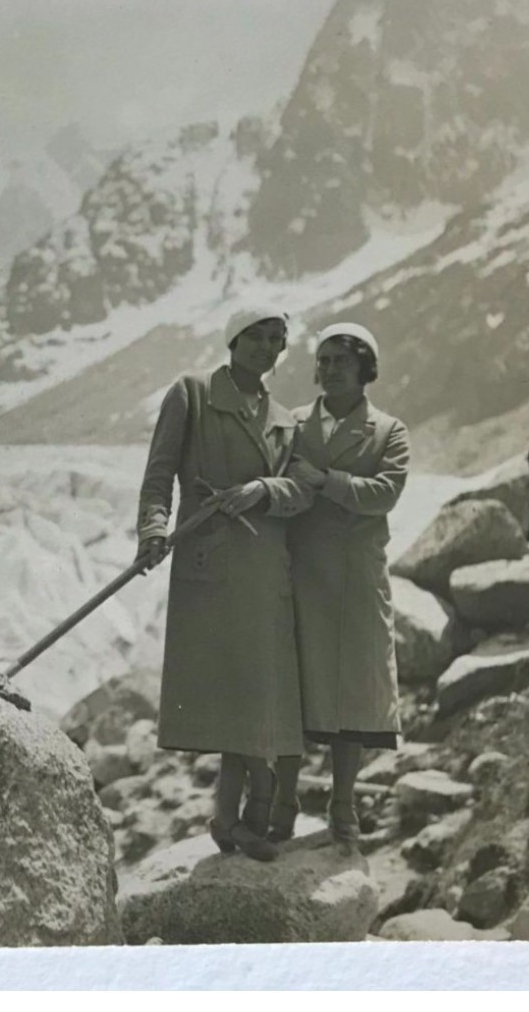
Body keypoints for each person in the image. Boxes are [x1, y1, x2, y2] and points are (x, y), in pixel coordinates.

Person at [135, 306, 312, 862]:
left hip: (265, 569)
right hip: (211, 564)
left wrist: (264, 489)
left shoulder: (284, 419)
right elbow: (159, 473)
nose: (267, 348)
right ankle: (233, 821)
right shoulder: (190, 395)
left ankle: (238, 821)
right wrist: (153, 530)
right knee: (234, 693)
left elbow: (301, 490)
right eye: (257, 337)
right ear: (233, 339)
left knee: (260, 693)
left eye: (277, 340)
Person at [270, 322, 410, 854]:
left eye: (340, 362)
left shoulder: (389, 431)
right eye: (322, 361)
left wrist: (322, 480)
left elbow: (384, 493)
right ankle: (284, 802)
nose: (328, 370)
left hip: (355, 576)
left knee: (351, 692)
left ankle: (343, 803)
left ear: (364, 370)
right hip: (299, 572)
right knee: (293, 689)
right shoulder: (294, 423)